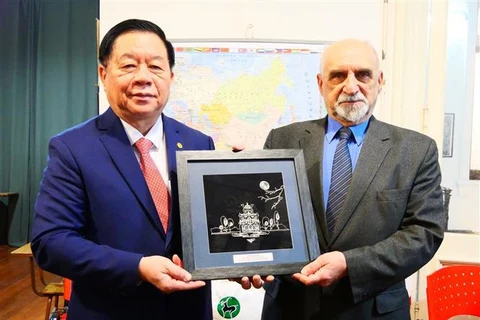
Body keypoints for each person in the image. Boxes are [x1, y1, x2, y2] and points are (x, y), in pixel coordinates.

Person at [31, 19, 214, 320]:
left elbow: (212, 232)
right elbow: (51, 242)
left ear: (170, 76)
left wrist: (244, 260)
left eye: (155, 67)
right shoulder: (72, 148)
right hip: (110, 310)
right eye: (128, 66)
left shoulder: (198, 142)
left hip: (189, 310)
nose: (144, 77)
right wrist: (138, 267)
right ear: (103, 74)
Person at [257, 39, 446, 319]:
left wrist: (349, 264)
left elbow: (424, 233)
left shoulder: (416, 150)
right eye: (337, 75)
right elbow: (264, 219)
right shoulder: (282, 139)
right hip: (291, 307)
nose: (351, 86)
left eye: (363, 74)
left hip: (373, 309)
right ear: (321, 84)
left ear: (380, 81)